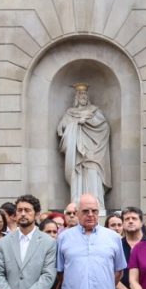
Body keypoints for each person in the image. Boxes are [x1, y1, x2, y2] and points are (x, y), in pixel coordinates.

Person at [57, 83, 112, 212]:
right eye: (80, 94)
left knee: (93, 175)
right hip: (76, 153)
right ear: (76, 97)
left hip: (93, 152)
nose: (83, 96)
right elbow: (60, 129)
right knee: (77, 176)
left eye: (84, 94)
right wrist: (74, 124)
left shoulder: (95, 111)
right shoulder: (70, 113)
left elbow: (104, 127)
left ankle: (97, 205)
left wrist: (87, 122)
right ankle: (76, 205)